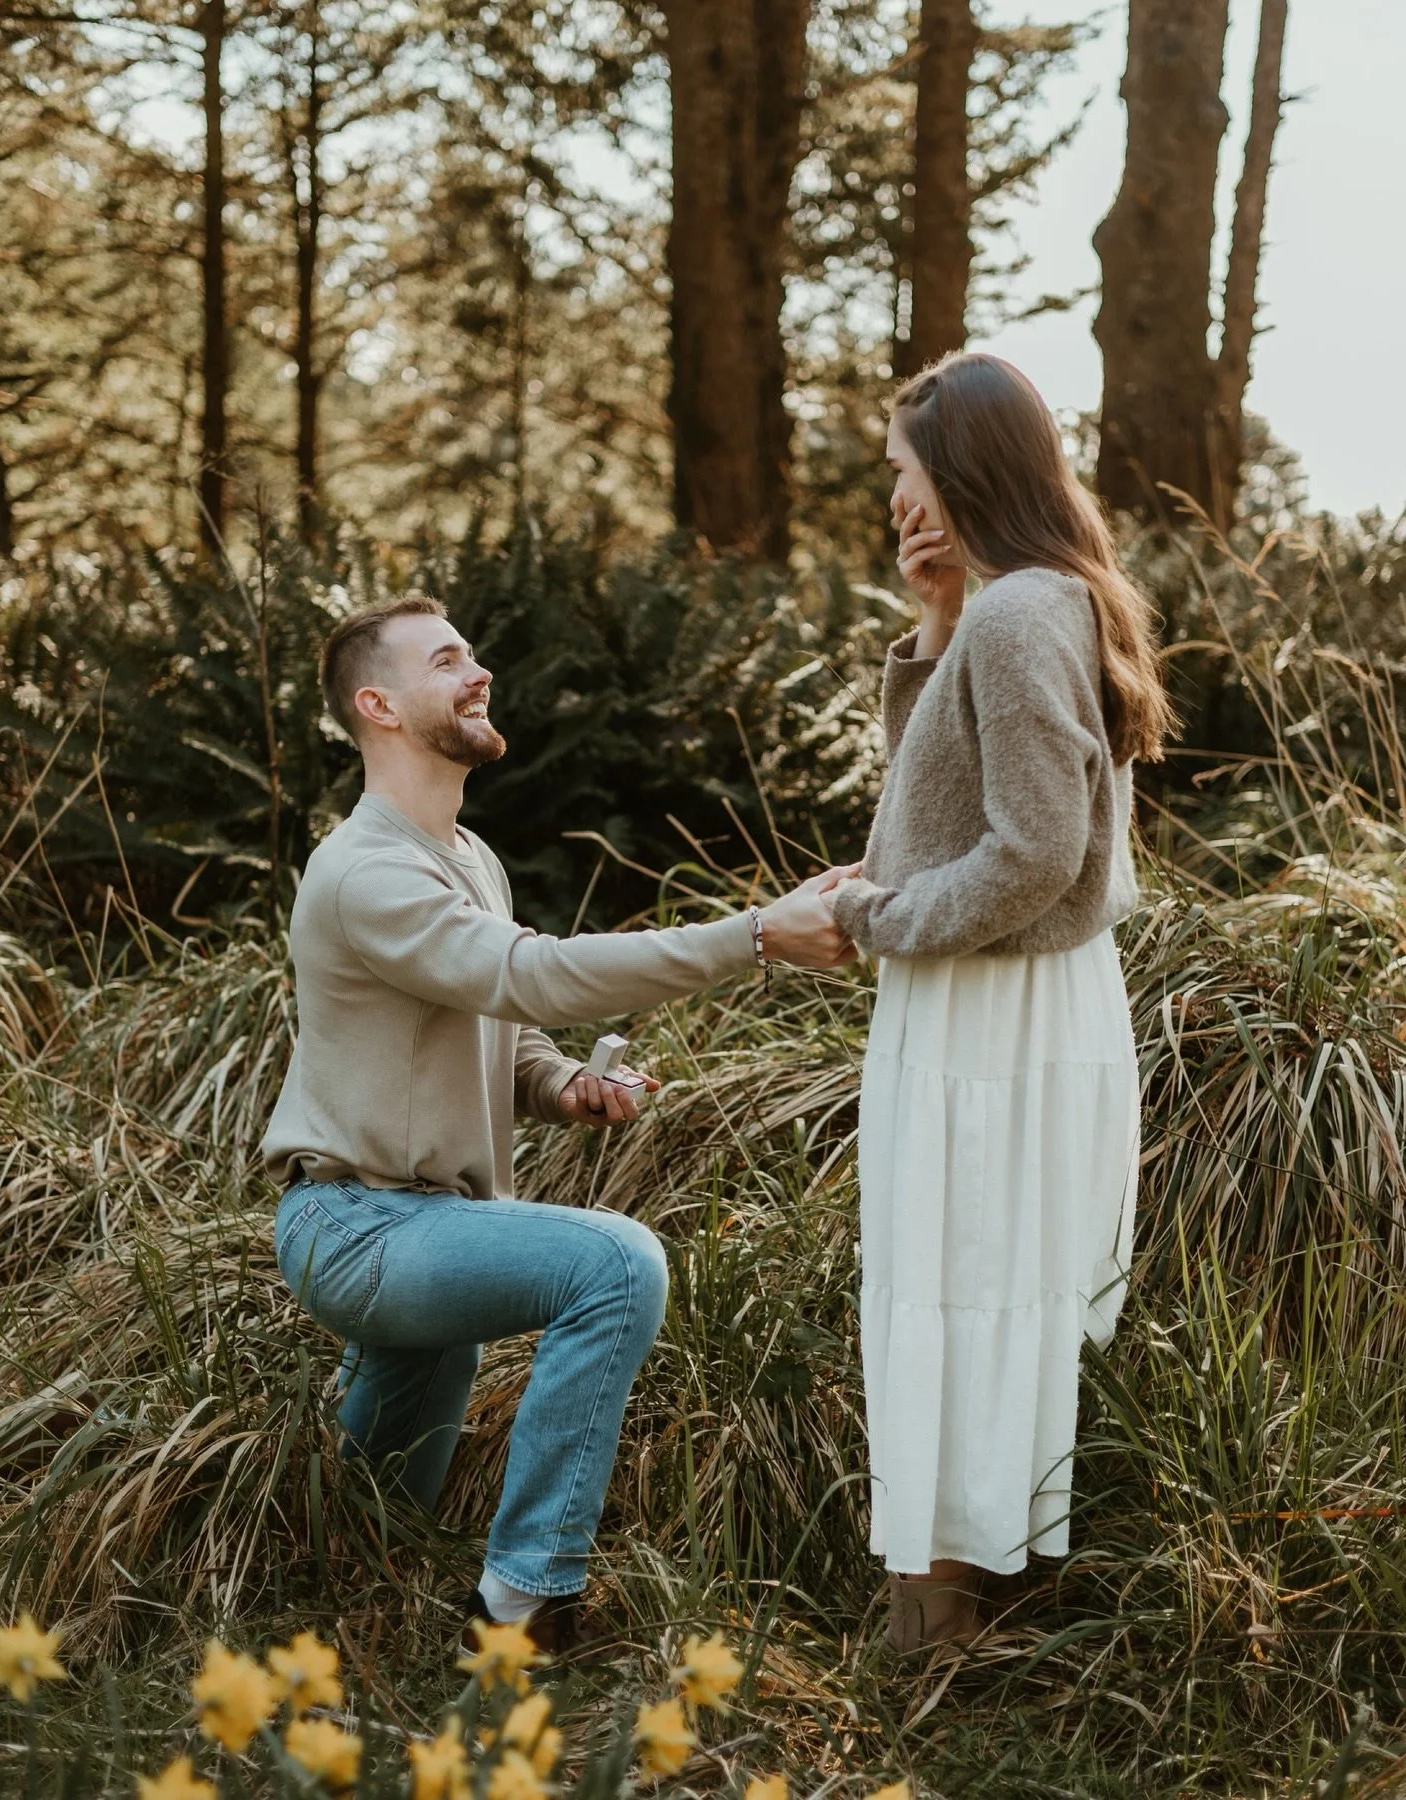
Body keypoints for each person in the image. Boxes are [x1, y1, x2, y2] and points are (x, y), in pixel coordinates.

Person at [262, 594, 856, 1650]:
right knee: (616, 1265)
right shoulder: (364, 869)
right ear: (378, 705)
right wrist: (755, 933)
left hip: (426, 1225)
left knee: (371, 1527)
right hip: (358, 1227)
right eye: (448, 660)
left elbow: (498, 1019)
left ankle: (308, 1620)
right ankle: (522, 1605)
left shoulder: (469, 858)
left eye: (474, 651)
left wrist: (559, 1086)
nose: (479, 671)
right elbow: (527, 974)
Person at [825, 353, 1171, 1651]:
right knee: (966, 1282)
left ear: (968, 467)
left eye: (910, 477)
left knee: (956, 1284)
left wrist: (874, 924)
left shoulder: (1025, 613)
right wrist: (931, 623)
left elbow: (1032, 850)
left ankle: (932, 1629)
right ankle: (945, 1607)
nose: (901, 503)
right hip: (1010, 1002)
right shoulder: (1019, 604)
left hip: (991, 1011)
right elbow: (945, 794)